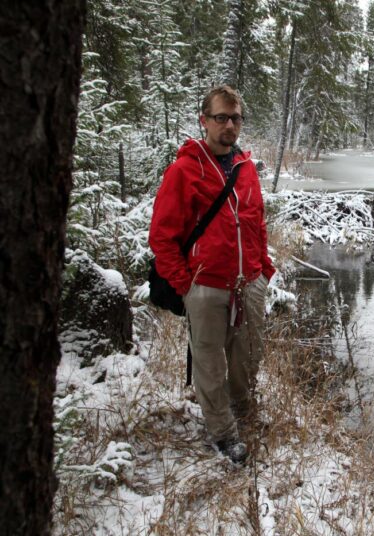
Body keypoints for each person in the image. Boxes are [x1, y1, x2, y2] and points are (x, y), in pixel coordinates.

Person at [148, 85, 275, 464]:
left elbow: (255, 223)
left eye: (235, 118)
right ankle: (222, 432)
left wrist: (263, 270)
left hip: (248, 282)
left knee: (248, 356)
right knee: (209, 363)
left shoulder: (246, 167)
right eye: (221, 117)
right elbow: (162, 237)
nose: (230, 125)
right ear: (204, 120)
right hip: (206, 286)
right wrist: (188, 285)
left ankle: (242, 406)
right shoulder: (184, 170)